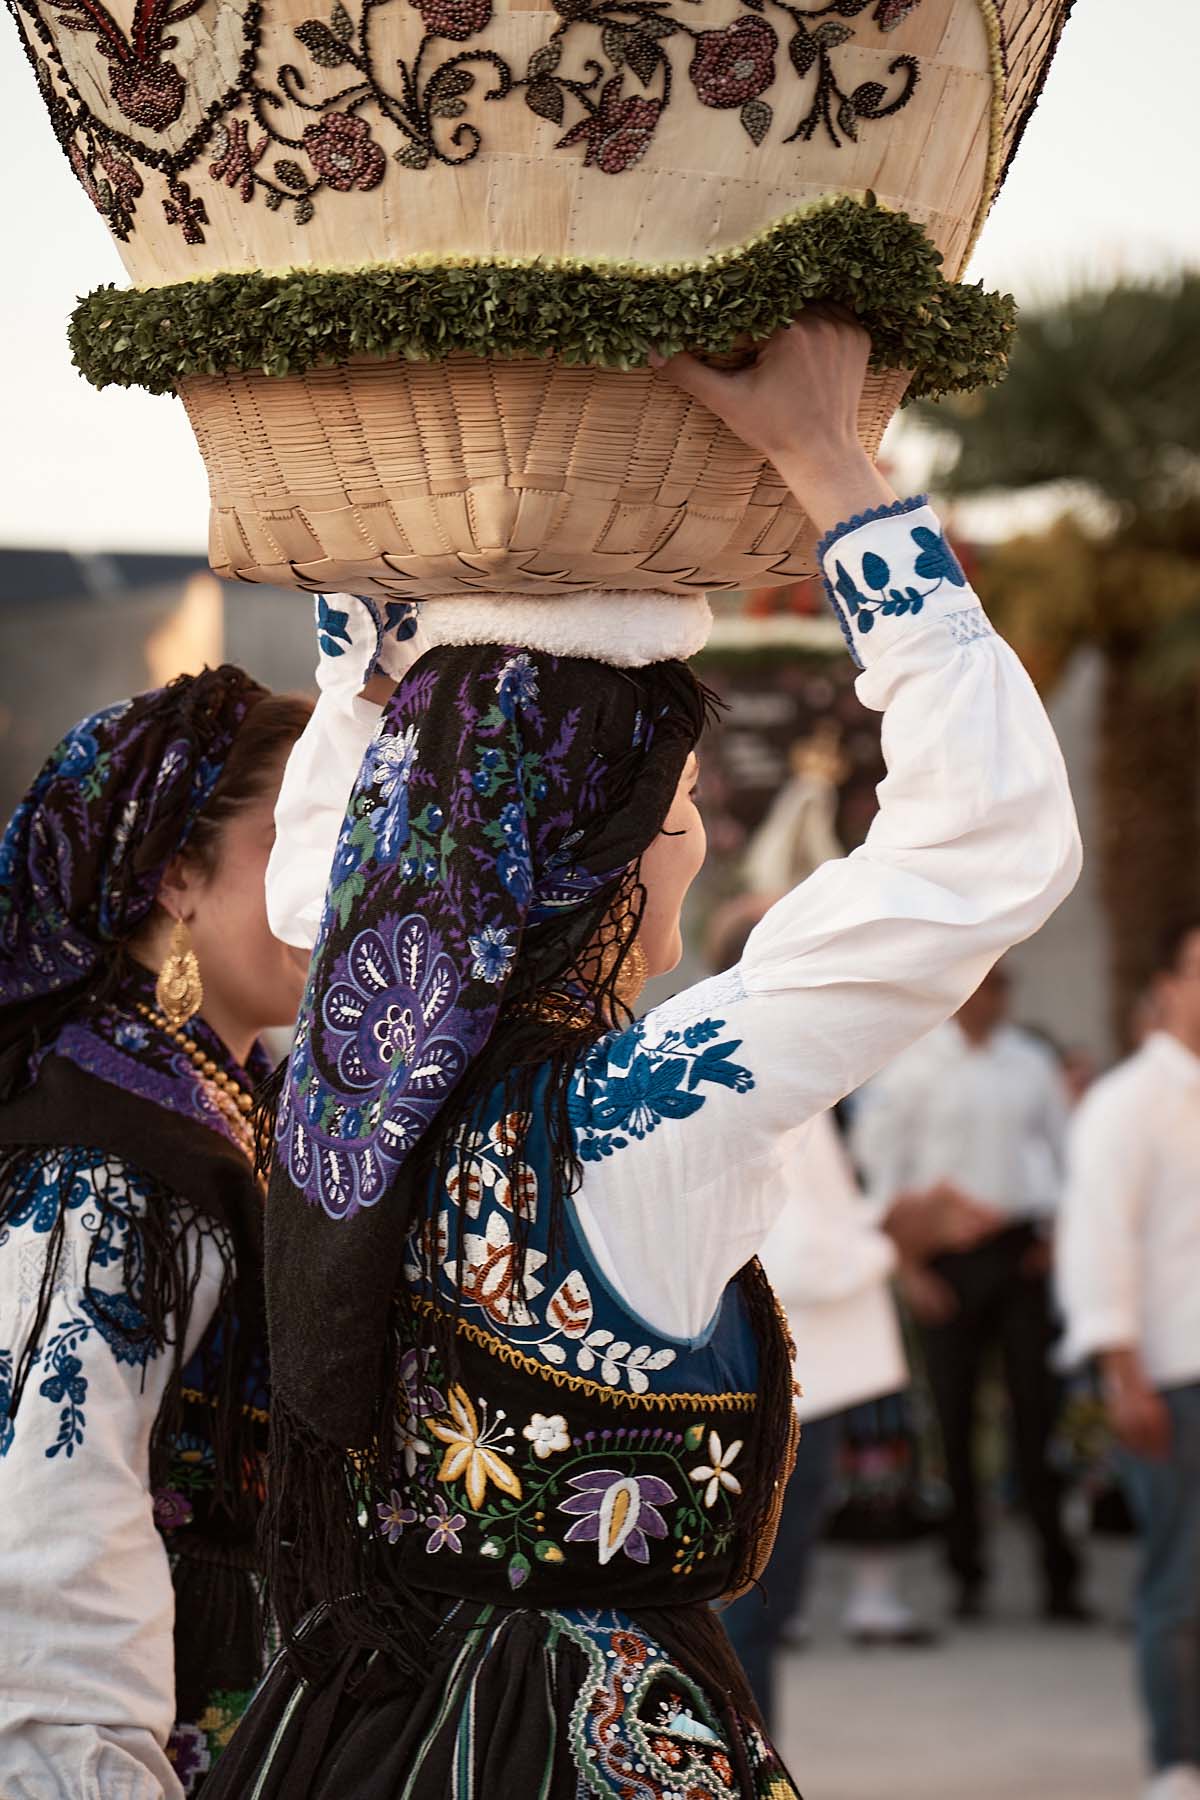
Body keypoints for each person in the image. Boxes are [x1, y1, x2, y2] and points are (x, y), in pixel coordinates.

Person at [205, 311, 1081, 1799]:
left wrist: (379, 636)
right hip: (579, 1734)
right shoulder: (637, 1114)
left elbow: (327, 883)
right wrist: (832, 468)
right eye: (681, 804)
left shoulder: (358, 1083)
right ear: (600, 857)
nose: (700, 836)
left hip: (360, 1723)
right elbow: (986, 843)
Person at [0, 669, 313, 1798]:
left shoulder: (225, 1096)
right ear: (178, 873)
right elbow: (51, 1516)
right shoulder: (109, 1151)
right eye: (296, 841)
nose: (332, 889)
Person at [852, 963, 1084, 1624]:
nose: (996, 998)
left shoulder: (1030, 1062)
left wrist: (1058, 1236)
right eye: (986, 984)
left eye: (1005, 985)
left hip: (1019, 1253)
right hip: (945, 1262)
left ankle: (1058, 1575)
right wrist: (909, 1269)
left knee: (1037, 1412)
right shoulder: (912, 1066)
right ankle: (966, 1573)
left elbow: (1068, 1155)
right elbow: (881, 1176)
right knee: (953, 1417)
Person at [1057, 921, 1200, 1800]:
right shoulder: (1129, 1103)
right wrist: (1124, 1374)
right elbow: (1097, 1245)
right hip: (1174, 1379)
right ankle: (1177, 1764)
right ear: (1168, 987)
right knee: (1181, 1585)